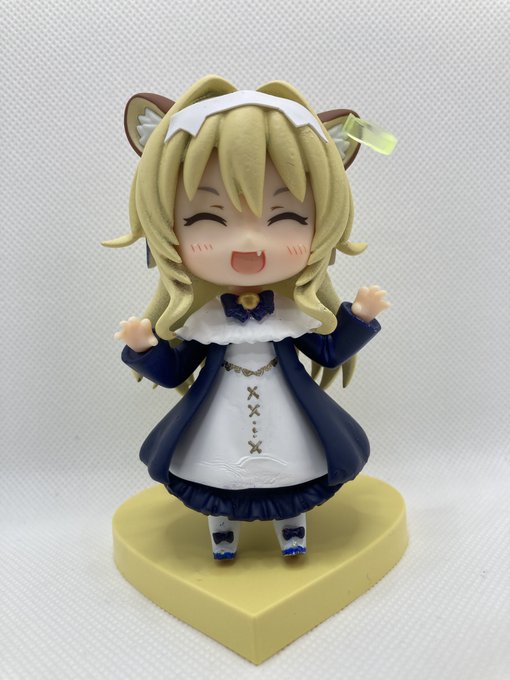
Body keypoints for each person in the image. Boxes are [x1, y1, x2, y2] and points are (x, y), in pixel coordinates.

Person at [104, 75, 391, 559]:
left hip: (287, 411)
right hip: (219, 414)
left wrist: (359, 317)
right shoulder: (205, 318)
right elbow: (176, 369)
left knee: (296, 467)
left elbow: (327, 350)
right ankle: (222, 528)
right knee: (214, 470)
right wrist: (145, 348)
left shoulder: (292, 314)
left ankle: (292, 526)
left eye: (286, 218)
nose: (248, 245)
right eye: (205, 219)